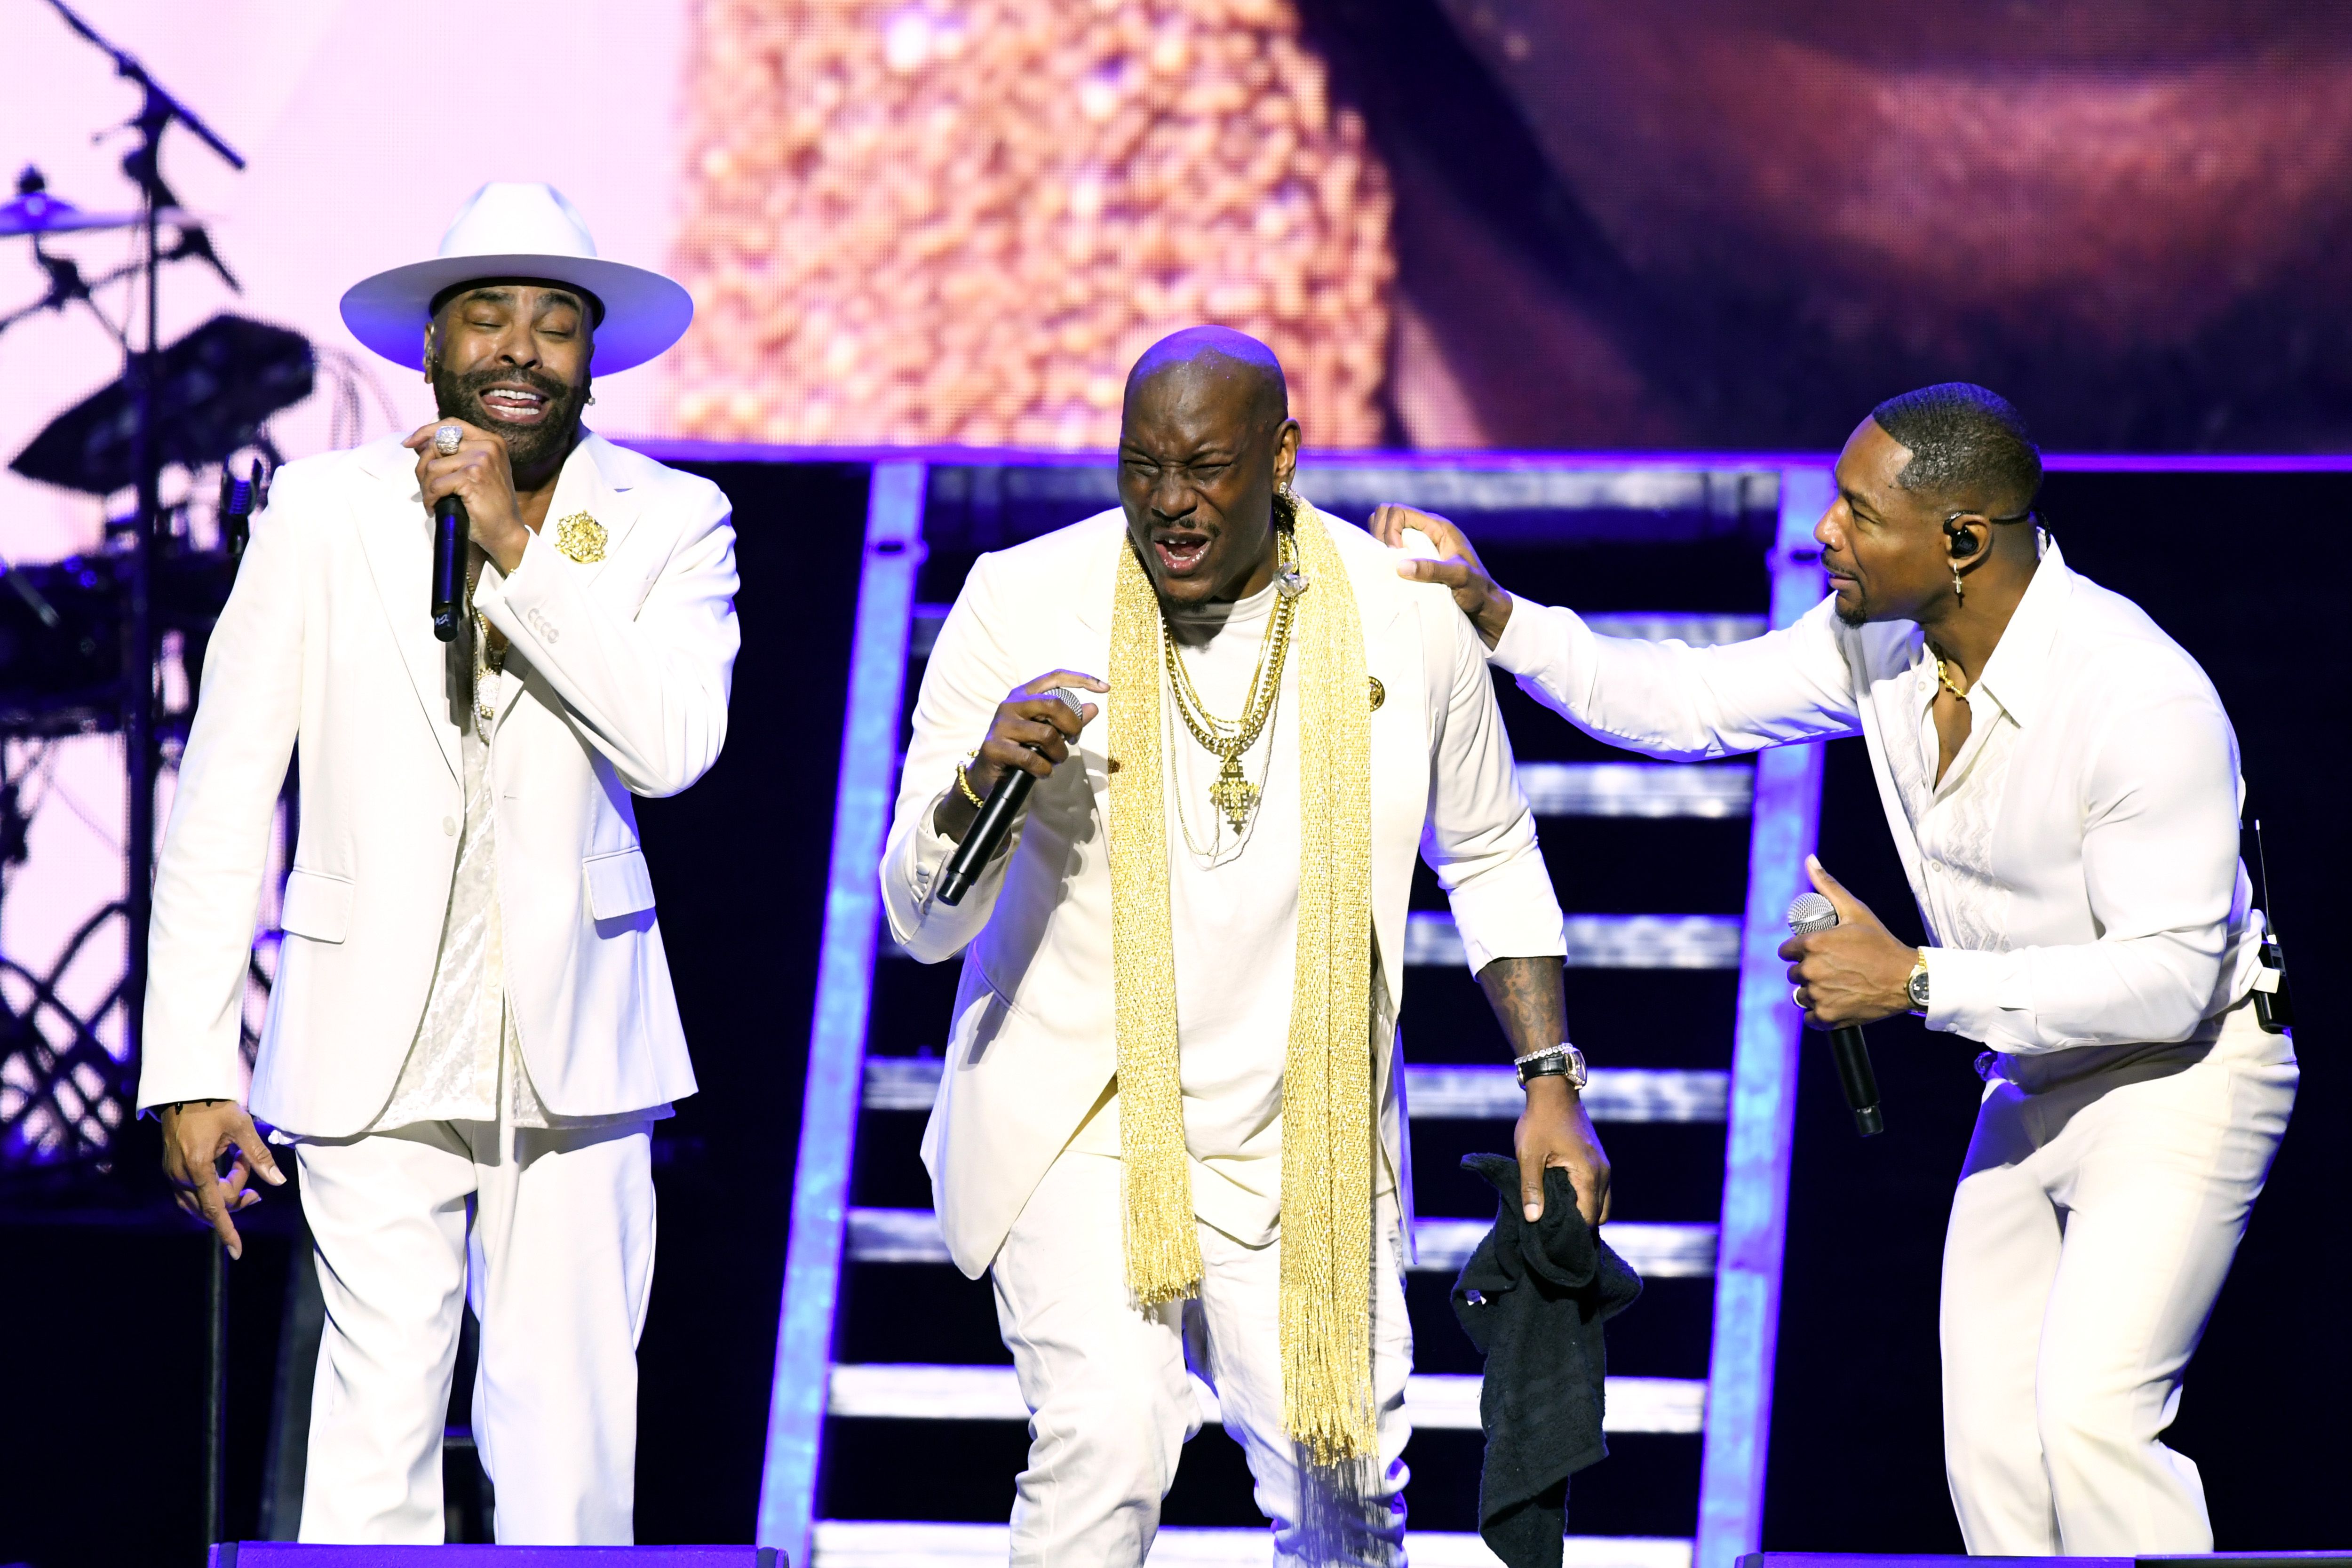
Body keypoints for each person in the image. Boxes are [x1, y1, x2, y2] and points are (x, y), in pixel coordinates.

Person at [1371, 383, 2295, 1553]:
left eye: (1860, 512)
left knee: (2092, 1417)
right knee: (1994, 1448)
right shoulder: (1876, 646)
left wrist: (1913, 980)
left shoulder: (2137, 696)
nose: (1825, 530)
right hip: (2033, 1074)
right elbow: (1686, 702)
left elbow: (2165, 980)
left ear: (1961, 540)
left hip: (2187, 1072)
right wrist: (1495, 612)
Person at [881, 326, 1604, 1566]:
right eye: (1141, 465)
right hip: (1085, 1118)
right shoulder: (1022, 599)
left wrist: (1553, 1083)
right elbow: (921, 920)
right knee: (1104, 1438)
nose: (1169, 501)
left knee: (1344, 1504)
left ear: (1281, 457)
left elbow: (1486, 851)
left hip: (1304, 1131)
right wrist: (980, 784)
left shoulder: (1405, 615)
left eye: (1205, 467)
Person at [138, 182, 738, 1544]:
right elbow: (226, 788)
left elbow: (674, 745)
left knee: (570, 1441)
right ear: (432, 345)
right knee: (368, 1437)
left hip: (576, 1038)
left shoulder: (669, 519)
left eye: (554, 324)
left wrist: (520, 550)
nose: (521, 348)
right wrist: (188, 1064)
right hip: (371, 1027)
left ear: (593, 354)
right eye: (489, 316)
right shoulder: (323, 509)